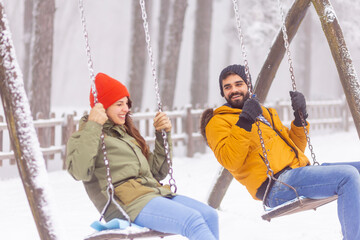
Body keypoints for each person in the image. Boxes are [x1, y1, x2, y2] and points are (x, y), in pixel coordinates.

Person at [201, 64, 360, 240]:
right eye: (227, 87)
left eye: (239, 84)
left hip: (297, 173)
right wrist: (245, 121)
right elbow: (230, 160)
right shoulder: (217, 122)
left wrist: (300, 118)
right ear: (222, 93)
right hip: (276, 186)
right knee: (348, 176)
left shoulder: (265, 113)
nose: (234, 90)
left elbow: (296, 148)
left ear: (248, 86)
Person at [66, 73, 219, 240]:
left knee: (210, 215)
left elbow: (156, 173)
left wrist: (163, 134)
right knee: (192, 221)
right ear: (102, 108)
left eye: (126, 103)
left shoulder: (125, 135)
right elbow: (79, 171)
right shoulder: (86, 136)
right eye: (119, 104)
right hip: (125, 203)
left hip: (151, 193)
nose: (126, 109)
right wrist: (94, 126)